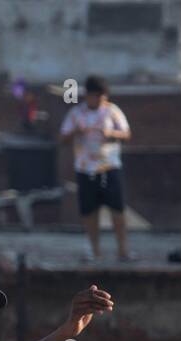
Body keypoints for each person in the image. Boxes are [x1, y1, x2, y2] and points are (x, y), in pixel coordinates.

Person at [59, 74, 132, 262]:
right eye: (96, 96)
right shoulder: (76, 114)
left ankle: (123, 250)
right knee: (90, 211)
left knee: (117, 210)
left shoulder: (111, 111)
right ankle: (95, 251)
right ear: (88, 95)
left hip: (109, 166)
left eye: (102, 96)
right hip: (86, 168)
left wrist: (110, 134)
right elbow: (63, 138)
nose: (100, 100)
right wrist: (77, 131)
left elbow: (126, 134)